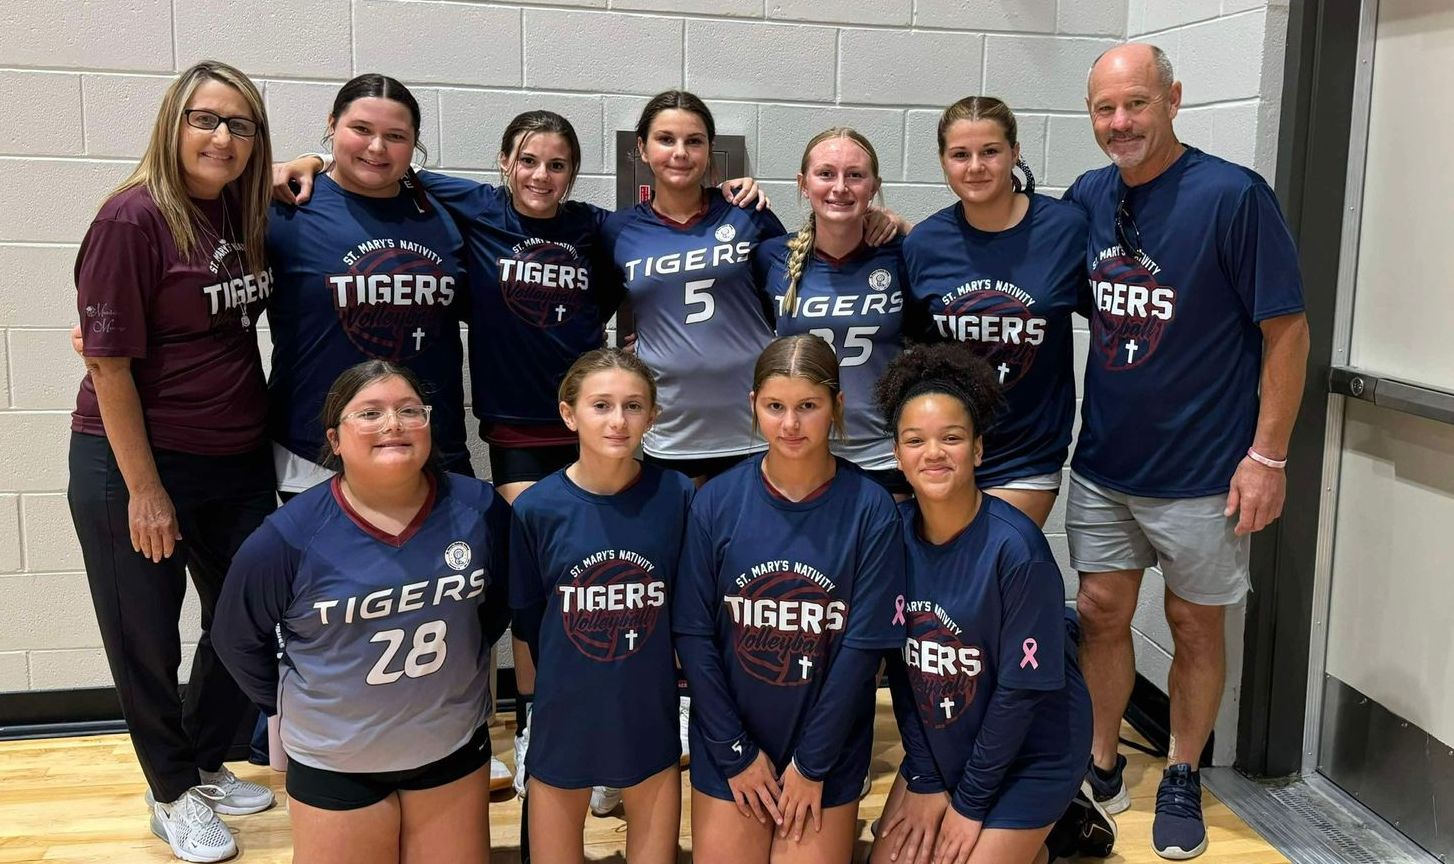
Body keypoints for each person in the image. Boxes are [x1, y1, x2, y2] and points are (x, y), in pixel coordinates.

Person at [274, 110, 767, 797]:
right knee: (544, 592)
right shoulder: (475, 209)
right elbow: (380, 161)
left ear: (574, 172)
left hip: (598, 428)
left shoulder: (597, 227)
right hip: (519, 434)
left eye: (557, 164)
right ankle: (545, 727)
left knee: (616, 582)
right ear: (506, 163)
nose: (541, 175)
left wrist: (739, 191)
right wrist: (306, 160)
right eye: (528, 161)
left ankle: (620, 726)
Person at [1065, 44, 1309, 860]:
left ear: (1173, 98)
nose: (1121, 123)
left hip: (1205, 470)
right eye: (1105, 108)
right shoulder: (1088, 198)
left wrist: (1267, 457)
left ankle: (1180, 769)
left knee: (1193, 624)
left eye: (1136, 103)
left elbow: (1287, 330)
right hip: (1104, 463)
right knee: (1099, 612)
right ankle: (1100, 760)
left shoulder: (1232, 196)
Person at [66, 59, 277, 863]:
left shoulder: (237, 209)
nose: (221, 137)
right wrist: (145, 489)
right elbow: (108, 366)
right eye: (205, 119)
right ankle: (170, 792)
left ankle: (203, 758)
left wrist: (306, 165)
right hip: (136, 463)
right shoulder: (131, 219)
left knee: (243, 618)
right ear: (172, 124)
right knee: (146, 638)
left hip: (236, 459)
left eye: (239, 124)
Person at [214, 361, 512, 864]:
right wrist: (294, 702)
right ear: (335, 438)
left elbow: (498, 607)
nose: (393, 424)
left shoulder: (479, 508)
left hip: (449, 746)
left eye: (409, 410)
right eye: (370, 413)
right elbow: (236, 638)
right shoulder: (287, 536)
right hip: (337, 760)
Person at [673, 334, 906, 864]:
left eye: (808, 407)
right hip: (731, 739)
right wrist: (736, 753)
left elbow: (862, 653)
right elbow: (693, 635)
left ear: (836, 408)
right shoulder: (715, 503)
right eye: (775, 407)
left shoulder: (870, 510)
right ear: (753, 406)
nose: (791, 425)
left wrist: (812, 764)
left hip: (825, 747)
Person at [868, 343, 1101, 864]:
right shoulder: (891, 540)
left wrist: (968, 805)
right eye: (915, 440)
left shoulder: (1017, 549)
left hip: (1032, 749)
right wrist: (927, 778)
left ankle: (1051, 827)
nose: (933, 453)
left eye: (951, 438)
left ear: (977, 450)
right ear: (897, 455)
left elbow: (1021, 695)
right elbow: (901, 673)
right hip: (950, 736)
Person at [510, 348, 694, 864]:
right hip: (564, 711)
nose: (618, 420)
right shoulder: (536, 508)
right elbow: (527, 617)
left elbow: (687, 609)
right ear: (569, 413)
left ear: (653, 416)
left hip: (648, 710)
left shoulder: (676, 495)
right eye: (601, 405)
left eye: (634, 406)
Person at [265, 74, 472, 497]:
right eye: (361, 129)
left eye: (395, 136)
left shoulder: (444, 208)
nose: (377, 147)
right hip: (316, 458)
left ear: (414, 145)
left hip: (430, 450)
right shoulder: (287, 205)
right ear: (332, 125)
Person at [902, 96, 1086, 528]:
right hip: (945, 447)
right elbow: (914, 347)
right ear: (944, 162)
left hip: (1027, 451)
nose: (975, 167)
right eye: (960, 155)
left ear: (1015, 154)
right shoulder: (924, 244)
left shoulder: (1066, 229)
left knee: (989, 565)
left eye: (990, 152)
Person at [601, 90, 791, 485]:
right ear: (642, 147)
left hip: (754, 426)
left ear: (709, 149)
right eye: (666, 139)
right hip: (672, 431)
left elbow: (789, 299)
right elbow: (595, 307)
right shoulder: (619, 231)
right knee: (684, 542)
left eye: (694, 141)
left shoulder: (747, 213)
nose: (680, 152)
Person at [753, 127, 911, 497]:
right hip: (802, 450)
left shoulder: (902, 254)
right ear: (803, 184)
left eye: (855, 175)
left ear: (874, 187)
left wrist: (905, 225)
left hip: (883, 454)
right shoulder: (771, 257)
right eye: (826, 174)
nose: (840, 187)